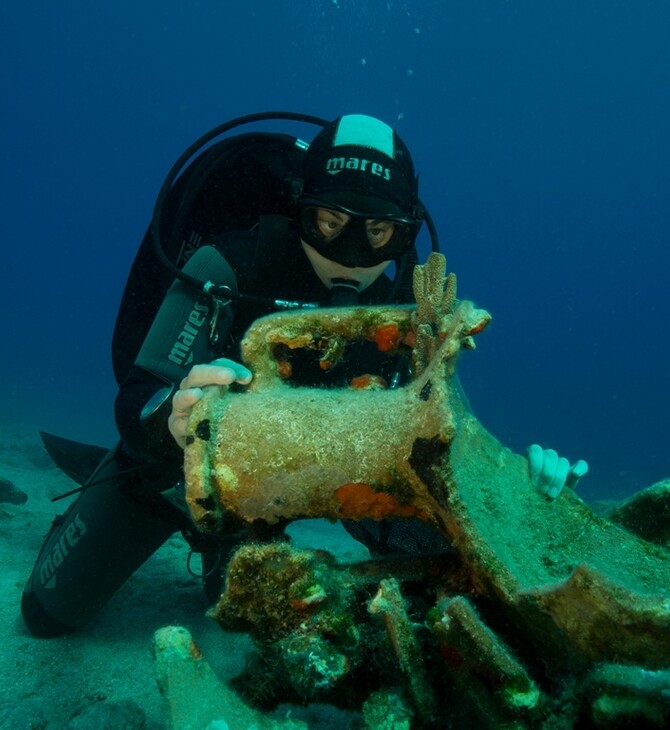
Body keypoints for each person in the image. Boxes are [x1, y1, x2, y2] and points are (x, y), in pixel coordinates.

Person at [21, 112, 587, 638]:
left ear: (405, 234)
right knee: (47, 615)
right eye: (329, 222)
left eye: (378, 234)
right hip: (166, 476)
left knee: (254, 630)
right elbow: (136, 394)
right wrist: (170, 417)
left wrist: (513, 495)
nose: (350, 256)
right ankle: (95, 503)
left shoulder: (411, 319)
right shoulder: (228, 268)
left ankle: (224, 550)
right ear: (300, 210)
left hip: (284, 502)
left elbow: (428, 460)